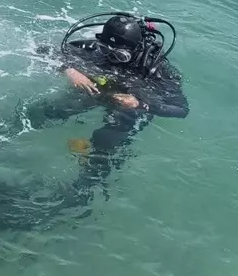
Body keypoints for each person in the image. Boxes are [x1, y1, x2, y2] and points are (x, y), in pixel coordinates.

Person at [27, 12, 187, 199]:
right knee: (49, 111)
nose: (110, 57)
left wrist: (141, 104)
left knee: (104, 146)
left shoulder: (156, 70)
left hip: (131, 105)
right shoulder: (97, 48)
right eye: (106, 49)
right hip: (97, 91)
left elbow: (181, 109)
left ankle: (81, 192)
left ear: (133, 51)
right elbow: (44, 50)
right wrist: (68, 70)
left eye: (119, 55)